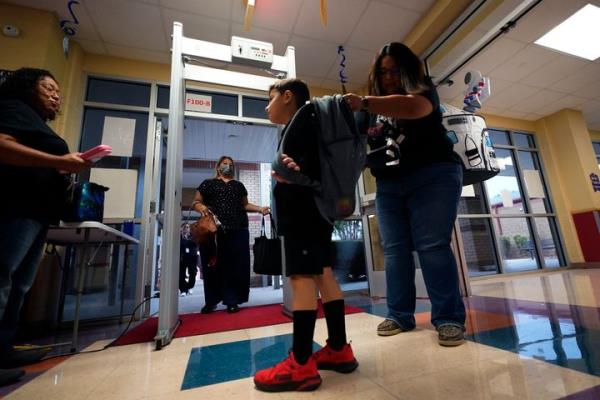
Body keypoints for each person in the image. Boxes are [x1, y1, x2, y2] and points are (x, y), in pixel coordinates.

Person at [344, 42, 466, 345]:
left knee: (432, 246)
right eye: (383, 72)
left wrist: (364, 102)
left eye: (395, 71)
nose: (388, 77)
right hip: (389, 183)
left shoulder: (423, 90)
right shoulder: (368, 112)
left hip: (433, 173)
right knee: (395, 250)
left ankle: (448, 318)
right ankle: (399, 314)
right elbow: (353, 147)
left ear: (408, 71)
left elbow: (414, 108)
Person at [253, 79, 358, 393]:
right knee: (324, 274)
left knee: (301, 278)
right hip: (319, 214)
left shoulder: (299, 123)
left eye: (270, 99)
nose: (266, 106)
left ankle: (300, 365)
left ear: (288, 97)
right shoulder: (312, 122)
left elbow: (302, 173)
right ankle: (339, 349)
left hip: (302, 214)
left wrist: (284, 173)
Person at [0, 68, 91, 386]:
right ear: (27, 87)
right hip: (14, 208)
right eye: (48, 88)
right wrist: (60, 162)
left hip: (37, 212)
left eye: (59, 92)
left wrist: (63, 169)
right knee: (2, 278)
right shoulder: (13, 108)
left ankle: (4, 348)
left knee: (19, 285)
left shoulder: (35, 122)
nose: (56, 95)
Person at [193, 156, 269, 314]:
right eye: (225, 164)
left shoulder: (238, 185)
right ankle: (211, 301)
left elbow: (245, 204)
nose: (228, 166)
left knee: (236, 265)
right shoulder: (208, 183)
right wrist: (201, 207)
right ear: (218, 166)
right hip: (214, 230)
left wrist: (260, 209)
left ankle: (232, 300)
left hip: (239, 229)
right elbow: (196, 201)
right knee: (213, 265)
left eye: (231, 164)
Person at [179, 224, 198, 296]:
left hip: (192, 257)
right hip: (182, 257)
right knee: (181, 274)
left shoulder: (193, 236)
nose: (186, 228)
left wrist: (187, 241)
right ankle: (183, 289)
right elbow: (180, 244)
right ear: (182, 228)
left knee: (193, 273)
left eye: (188, 227)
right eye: (185, 227)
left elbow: (195, 244)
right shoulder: (179, 237)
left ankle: (190, 286)